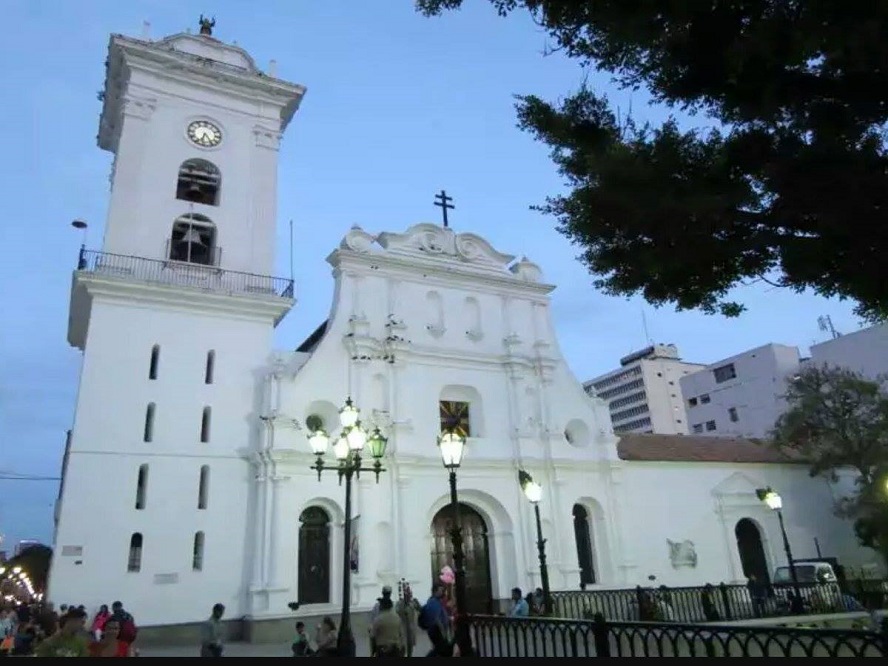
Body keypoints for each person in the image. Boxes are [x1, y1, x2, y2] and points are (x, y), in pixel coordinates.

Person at [418, 584, 452, 657]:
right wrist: (443, 631)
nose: (442, 592)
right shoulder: (433, 602)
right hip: (436, 630)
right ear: (435, 591)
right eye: (440, 590)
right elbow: (436, 619)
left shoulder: (436, 601)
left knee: (441, 650)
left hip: (436, 630)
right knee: (441, 649)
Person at [395, 583, 422, 657]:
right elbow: (397, 612)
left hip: (411, 629)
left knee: (410, 647)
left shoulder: (413, 603)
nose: (409, 595)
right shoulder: (400, 604)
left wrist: (418, 604)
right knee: (403, 648)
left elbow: (420, 610)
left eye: (410, 593)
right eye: (407, 593)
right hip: (403, 629)